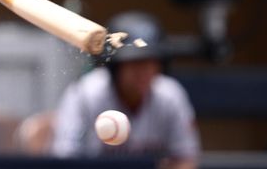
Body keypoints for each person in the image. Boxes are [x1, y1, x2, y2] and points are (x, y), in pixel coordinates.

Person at [52, 11, 200, 169]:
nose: (144, 71)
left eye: (150, 62)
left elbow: (186, 159)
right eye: (135, 63)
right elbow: (65, 160)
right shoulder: (85, 95)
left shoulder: (170, 96)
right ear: (116, 67)